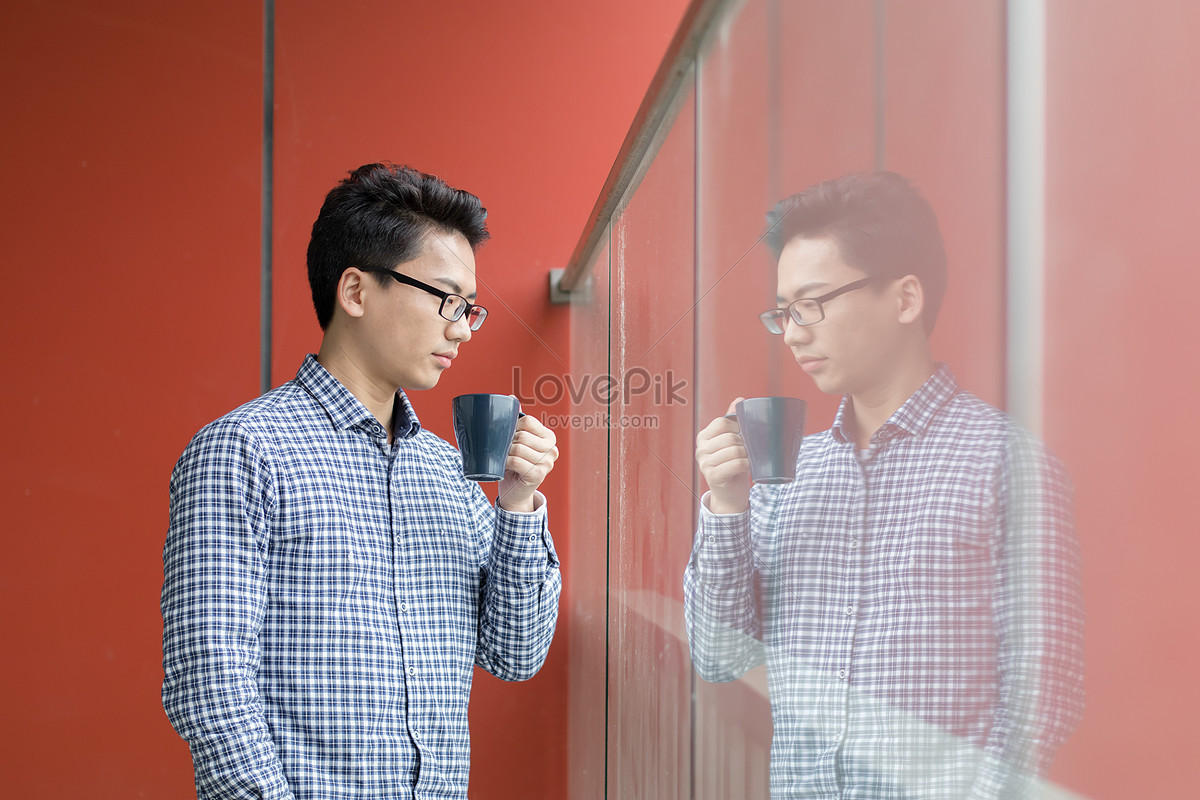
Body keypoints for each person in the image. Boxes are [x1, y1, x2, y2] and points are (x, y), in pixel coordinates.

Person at [162, 163, 561, 800]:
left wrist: (516, 506)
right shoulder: (244, 451)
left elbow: (515, 654)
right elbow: (208, 683)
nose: (460, 327)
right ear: (355, 291)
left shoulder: (446, 471)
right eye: (445, 299)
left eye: (470, 308)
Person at [684, 171, 1084, 799]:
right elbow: (717, 657)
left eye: (812, 303)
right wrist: (728, 506)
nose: (793, 332)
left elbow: (1045, 686)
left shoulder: (1003, 461)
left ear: (904, 299)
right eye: (784, 312)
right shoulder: (790, 473)